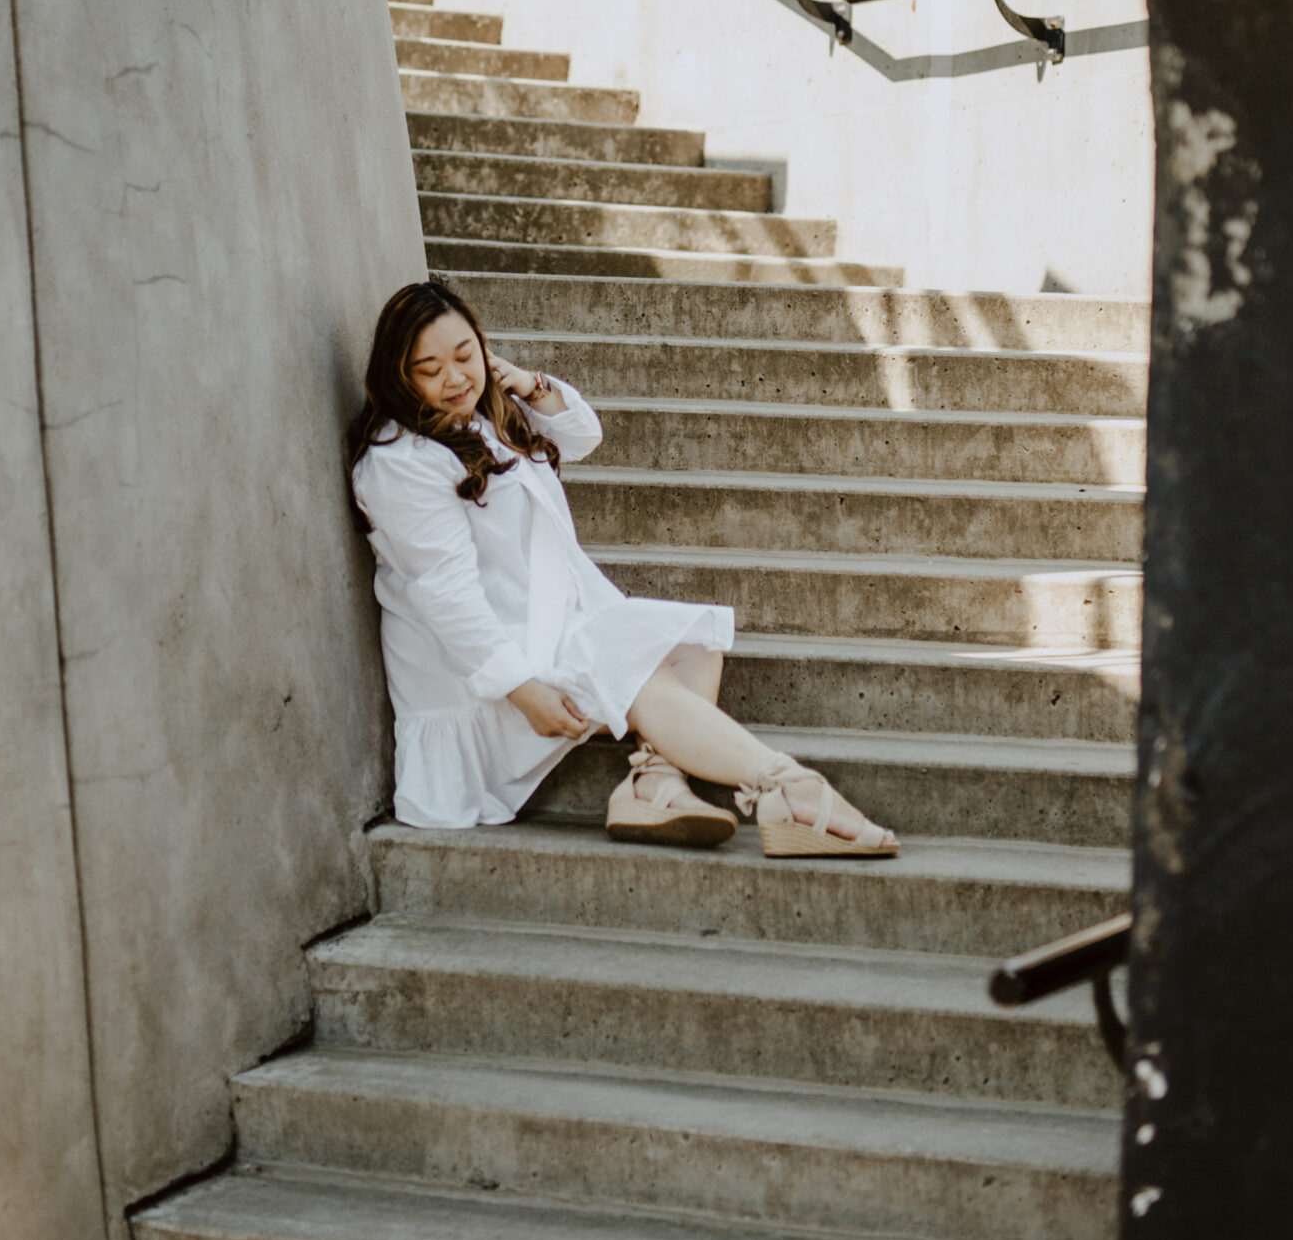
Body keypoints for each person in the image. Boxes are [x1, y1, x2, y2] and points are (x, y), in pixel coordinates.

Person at [348, 278, 896, 855]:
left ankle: (654, 783)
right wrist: (522, 690)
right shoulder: (397, 462)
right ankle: (791, 790)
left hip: (547, 621)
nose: (454, 379)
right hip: (478, 672)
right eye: (429, 370)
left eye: (465, 357)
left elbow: (583, 435)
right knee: (634, 665)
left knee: (694, 644)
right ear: (398, 377)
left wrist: (528, 384)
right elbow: (447, 596)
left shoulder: (483, 418)